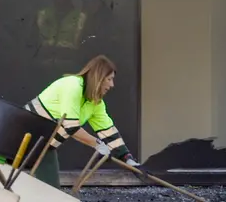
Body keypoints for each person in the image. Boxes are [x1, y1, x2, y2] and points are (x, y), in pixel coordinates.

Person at [24, 54, 142, 188]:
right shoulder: (73, 85)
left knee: (52, 191)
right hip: (20, 137)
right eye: (109, 79)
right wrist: (97, 144)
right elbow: (71, 126)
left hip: (43, 147)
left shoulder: (95, 102)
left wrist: (128, 159)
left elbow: (109, 132)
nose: (112, 84)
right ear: (98, 77)